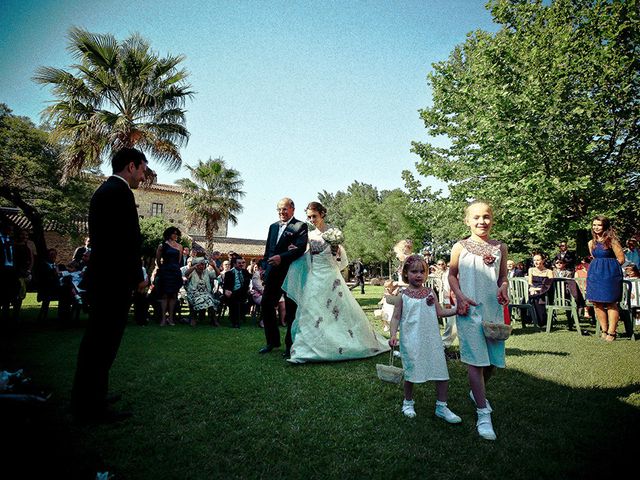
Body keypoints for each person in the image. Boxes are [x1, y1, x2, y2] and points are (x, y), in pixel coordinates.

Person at [71, 147, 148, 424]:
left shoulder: (105, 191)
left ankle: (92, 396)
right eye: (142, 169)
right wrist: (137, 275)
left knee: (98, 343)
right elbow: (124, 241)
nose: (143, 175)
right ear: (131, 166)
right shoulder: (119, 193)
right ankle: (90, 406)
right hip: (112, 280)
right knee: (102, 344)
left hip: (104, 278)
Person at [282, 201, 389, 363]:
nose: (311, 220)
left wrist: (336, 250)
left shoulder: (333, 233)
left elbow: (340, 259)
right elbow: (307, 254)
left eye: (314, 216)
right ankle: (304, 351)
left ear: (322, 214)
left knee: (336, 310)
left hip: (331, 276)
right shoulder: (309, 235)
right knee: (311, 310)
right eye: (309, 217)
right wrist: (294, 251)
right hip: (314, 276)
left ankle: (340, 343)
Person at [448, 201, 509, 441]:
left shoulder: (500, 247)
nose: (481, 221)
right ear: (467, 221)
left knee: (491, 362)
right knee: (475, 361)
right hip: (469, 310)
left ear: (492, 219)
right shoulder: (459, 247)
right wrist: (460, 296)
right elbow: (452, 275)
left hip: (493, 311)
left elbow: (503, 275)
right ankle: (483, 413)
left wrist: (504, 286)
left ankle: (477, 393)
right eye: (476, 217)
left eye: (486, 217)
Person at [388, 255, 460, 422]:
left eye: (422, 271)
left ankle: (442, 406)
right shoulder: (402, 294)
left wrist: (457, 310)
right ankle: (408, 402)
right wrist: (393, 335)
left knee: (440, 371)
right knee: (411, 371)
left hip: (432, 339)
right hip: (411, 340)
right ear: (406, 273)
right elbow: (396, 317)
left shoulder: (430, 293)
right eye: (414, 271)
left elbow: (440, 312)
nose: (418, 275)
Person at [258, 198, 308, 356]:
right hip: (272, 273)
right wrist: (265, 268)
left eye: (284, 209)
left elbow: (300, 249)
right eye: (279, 209)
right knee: (266, 304)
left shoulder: (300, 226)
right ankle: (272, 341)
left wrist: (282, 257)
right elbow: (268, 251)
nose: (281, 212)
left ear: (292, 209)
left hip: (291, 273)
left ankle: (289, 345)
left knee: (291, 309)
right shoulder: (273, 227)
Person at [586, 215, 625, 341]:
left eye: (599, 225)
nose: (596, 227)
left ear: (605, 226)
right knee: (597, 303)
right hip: (595, 275)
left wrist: (610, 269)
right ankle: (604, 330)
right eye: (594, 225)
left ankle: (612, 332)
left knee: (611, 302)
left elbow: (621, 259)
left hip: (610, 276)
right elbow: (594, 258)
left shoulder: (612, 241)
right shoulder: (591, 243)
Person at [155, 226, 183, 326]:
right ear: (169, 234)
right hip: (165, 272)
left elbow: (179, 261)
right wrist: (163, 268)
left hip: (175, 272)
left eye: (177, 233)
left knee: (173, 295)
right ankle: (163, 319)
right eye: (173, 233)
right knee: (165, 295)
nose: (175, 235)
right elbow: (158, 260)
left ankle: (171, 319)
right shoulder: (162, 245)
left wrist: (174, 267)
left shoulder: (180, 246)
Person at [184, 256, 217, 326]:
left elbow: (217, 274)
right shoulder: (192, 272)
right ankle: (193, 318)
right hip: (193, 293)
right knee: (203, 299)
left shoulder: (206, 272)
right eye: (201, 264)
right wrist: (194, 266)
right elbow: (186, 274)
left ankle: (213, 320)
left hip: (206, 293)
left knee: (209, 298)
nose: (202, 266)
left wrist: (214, 266)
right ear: (196, 265)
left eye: (204, 264)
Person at [223, 256, 252, 328]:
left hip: (243, 293)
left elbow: (249, 282)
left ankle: (239, 317)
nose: (241, 264)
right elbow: (225, 286)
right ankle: (235, 321)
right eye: (239, 263)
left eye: (243, 263)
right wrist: (226, 291)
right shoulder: (229, 273)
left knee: (251, 297)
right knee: (234, 300)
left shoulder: (245, 272)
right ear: (235, 264)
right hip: (232, 293)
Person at [527, 253, 553, 327]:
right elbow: (530, 282)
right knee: (529, 297)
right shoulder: (531, 270)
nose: (536, 262)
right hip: (532, 290)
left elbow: (549, 285)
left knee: (537, 297)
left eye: (538, 260)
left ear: (543, 261)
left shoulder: (549, 271)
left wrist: (537, 289)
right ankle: (530, 319)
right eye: (534, 260)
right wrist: (532, 289)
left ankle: (541, 321)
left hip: (544, 291)